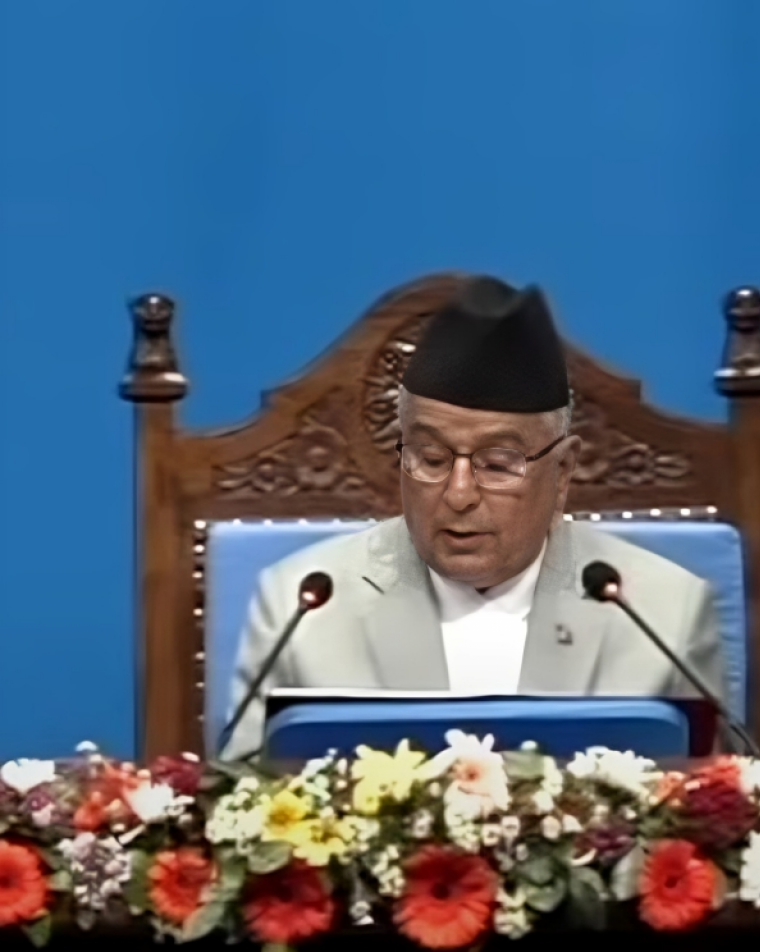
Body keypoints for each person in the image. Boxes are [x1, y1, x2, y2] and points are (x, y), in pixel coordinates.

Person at [220, 275, 726, 760]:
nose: (458, 493)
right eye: (431, 459)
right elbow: (237, 795)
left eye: (498, 464)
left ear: (562, 471)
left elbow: (715, 802)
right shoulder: (305, 604)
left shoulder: (665, 612)